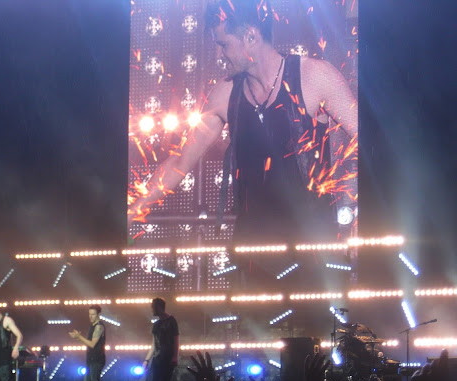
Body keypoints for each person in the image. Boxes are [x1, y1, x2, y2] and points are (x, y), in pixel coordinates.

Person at [129, 0, 358, 243]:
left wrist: (360, 208)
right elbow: (179, 161)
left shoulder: (314, 77)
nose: (219, 55)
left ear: (251, 37)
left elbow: (370, 144)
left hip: (314, 248)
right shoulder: (225, 95)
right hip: (253, 251)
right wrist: (132, 212)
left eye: (223, 45)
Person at [143, 298, 179, 381]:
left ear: (159, 307)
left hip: (168, 357)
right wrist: (147, 360)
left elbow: (176, 340)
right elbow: (154, 344)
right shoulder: (156, 325)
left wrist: (175, 356)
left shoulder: (171, 321)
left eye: (153, 307)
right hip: (157, 358)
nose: (151, 309)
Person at [68, 305, 106, 381]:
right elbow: (89, 343)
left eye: (93, 314)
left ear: (98, 314)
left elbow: (93, 344)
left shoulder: (99, 327)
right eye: (89, 314)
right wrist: (78, 337)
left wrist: (79, 337)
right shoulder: (92, 326)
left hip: (97, 359)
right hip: (90, 359)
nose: (91, 316)